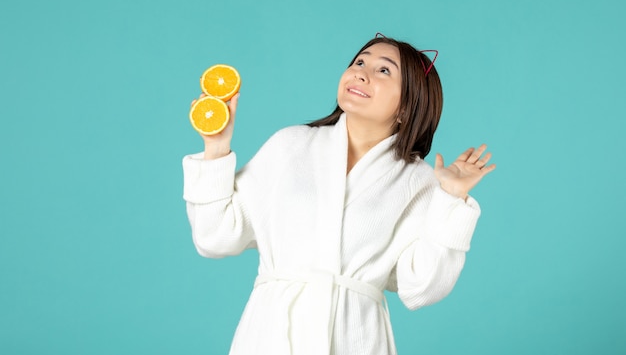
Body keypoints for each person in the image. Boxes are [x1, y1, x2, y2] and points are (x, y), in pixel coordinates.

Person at [182, 34, 496, 355]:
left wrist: (453, 198)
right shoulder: (289, 145)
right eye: (360, 62)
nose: (361, 72)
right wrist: (216, 148)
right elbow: (214, 236)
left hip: (356, 339)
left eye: (384, 71)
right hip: (270, 335)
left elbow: (422, 288)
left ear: (407, 106)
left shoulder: (418, 181)